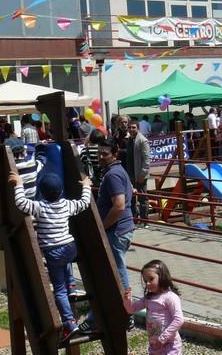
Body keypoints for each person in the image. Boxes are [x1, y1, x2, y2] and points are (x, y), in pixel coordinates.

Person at [9, 169, 91, 342]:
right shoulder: (67, 205)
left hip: (53, 251)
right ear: (61, 191)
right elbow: (84, 203)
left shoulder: (39, 207)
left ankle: (70, 323)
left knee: (59, 290)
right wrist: (86, 186)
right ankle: (72, 286)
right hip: (70, 247)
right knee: (66, 260)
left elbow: (21, 203)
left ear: (41, 192)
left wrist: (19, 184)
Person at [80, 138, 135, 334]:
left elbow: (119, 205)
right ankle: (121, 313)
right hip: (121, 229)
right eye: (99, 153)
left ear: (115, 154)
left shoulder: (112, 175)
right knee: (114, 273)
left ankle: (127, 313)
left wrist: (102, 227)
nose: (101, 157)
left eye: (105, 154)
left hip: (115, 231)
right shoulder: (118, 171)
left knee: (116, 273)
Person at [123, 260, 184, 355]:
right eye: (145, 281)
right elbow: (131, 309)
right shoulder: (148, 298)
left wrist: (163, 338)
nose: (147, 284)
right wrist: (127, 300)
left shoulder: (170, 297)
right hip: (155, 344)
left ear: (162, 277)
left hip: (170, 344)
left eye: (151, 279)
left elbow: (179, 319)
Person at [129, 120, 152, 227]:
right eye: (130, 127)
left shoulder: (142, 140)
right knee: (132, 198)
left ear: (138, 128)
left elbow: (147, 159)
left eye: (133, 127)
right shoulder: (130, 139)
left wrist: (142, 174)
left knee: (143, 198)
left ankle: (145, 221)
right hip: (131, 173)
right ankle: (135, 219)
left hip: (140, 174)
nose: (131, 129)